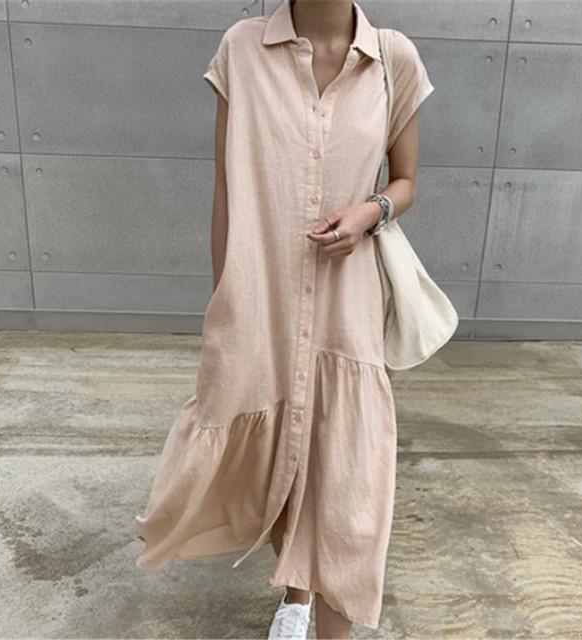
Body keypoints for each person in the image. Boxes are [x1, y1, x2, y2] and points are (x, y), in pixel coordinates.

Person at [134, 1, 435, 638]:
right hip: (260, 302)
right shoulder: (242, 49)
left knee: (349, 484)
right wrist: (227, 299)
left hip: (347, 306)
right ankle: (296, 596)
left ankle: (324, 620)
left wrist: (370, 211)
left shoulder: (393, 59)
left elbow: (406, 180)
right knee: (275, 460)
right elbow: (226, 183)